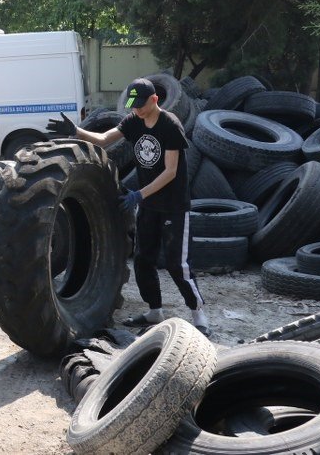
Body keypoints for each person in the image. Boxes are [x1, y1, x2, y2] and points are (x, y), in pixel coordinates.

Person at [47, 77, 209, 337]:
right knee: (143, 259)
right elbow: (103, 139)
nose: (136, 110)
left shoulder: (170, 125)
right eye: (133, 105)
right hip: (148, 204)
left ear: (155, 100)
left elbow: (170, 172)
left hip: (173, 206)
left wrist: (138, 195)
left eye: (141, 105)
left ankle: (199, 314)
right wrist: (75, 131)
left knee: (178, 264)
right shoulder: (134, 120)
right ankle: (155, 310)